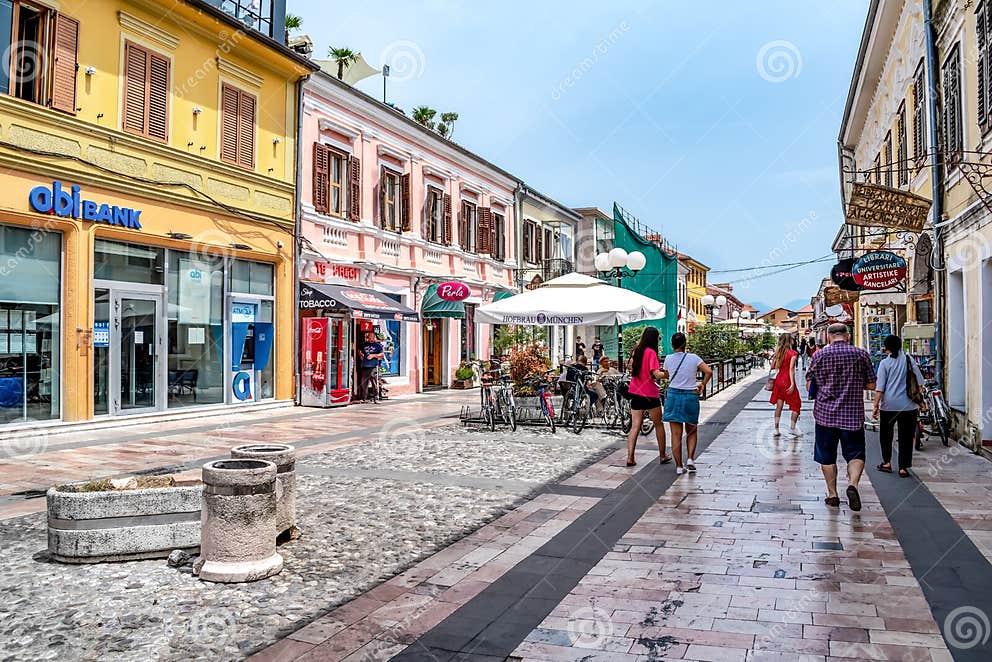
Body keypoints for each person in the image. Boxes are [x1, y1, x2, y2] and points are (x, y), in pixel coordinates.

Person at [806, 323, 876, 511]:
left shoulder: (819, 356)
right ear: (847, 336)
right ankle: (852, 485)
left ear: (829, 337)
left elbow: (809, 387)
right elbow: (871, 385)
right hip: (852, 415)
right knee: (855, 453)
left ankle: (833, 494)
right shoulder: (861, 354)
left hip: (825, 416)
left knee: (826, 456)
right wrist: (853, 383)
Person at [873, 335, 926, 477]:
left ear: (887, 347)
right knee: (906, 437)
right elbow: (920, 382)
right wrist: (921, 401)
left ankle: (886, 462)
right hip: (908, 406)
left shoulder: (885, 364)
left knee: (886, 435)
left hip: (889, 406)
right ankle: (903, 467)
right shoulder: (909, 360)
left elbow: (880, 388)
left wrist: (875, 406)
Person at [662, 332, 711, 475]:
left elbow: (666, 374)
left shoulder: (669, 359)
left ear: (672, 345)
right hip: (691, 395)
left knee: (676, 434)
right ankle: (690, 458)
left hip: (674, 395)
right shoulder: (693, 358)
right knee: (691, 430)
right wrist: (702, 384)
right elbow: (708, 371)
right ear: (685, 344)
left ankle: (678, 466)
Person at [625, 327, 671, 468]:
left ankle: (630, 457)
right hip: (650, 393)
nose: (658, 340)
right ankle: (662, 455)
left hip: (635, 392)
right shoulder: (651, 353)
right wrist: (666, 374)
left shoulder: (636, 351)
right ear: (653, 338)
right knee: (658, 424)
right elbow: (656, 374)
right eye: (658, 337)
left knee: (635, 427)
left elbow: (632, 369)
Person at [769, 333, 802, 437]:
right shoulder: (793, 353)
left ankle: (776, 429)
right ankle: (792, 427)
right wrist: (792, 383)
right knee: (796, 404)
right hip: (787, 380)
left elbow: (773, 367)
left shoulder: (777, 352)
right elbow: (791, 369)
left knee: (779, 406)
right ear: (789, 341)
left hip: (779, 380)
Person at [358, 331, 385, 402]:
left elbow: (382, 355)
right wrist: (360, 355)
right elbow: (359, 350)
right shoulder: (364, 344)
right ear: (367, 337)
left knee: (374, 383)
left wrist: (373, 355)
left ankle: (376, 398)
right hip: (365, 366)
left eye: (372, 337)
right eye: (369, 337)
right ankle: (364, 398)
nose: (371, 338)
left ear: (374, 337)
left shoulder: (377, 345)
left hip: (373, 366)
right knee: (364, 383)